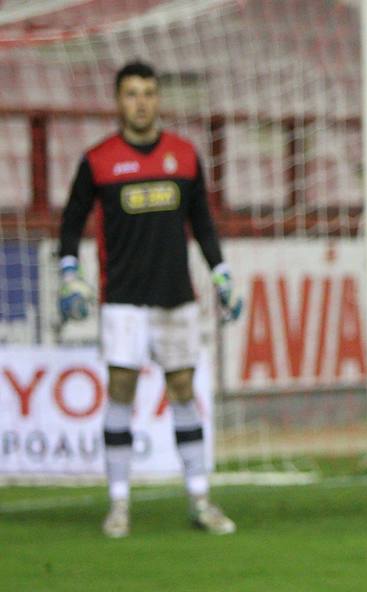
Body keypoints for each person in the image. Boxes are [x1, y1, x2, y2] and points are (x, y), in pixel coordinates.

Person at [57, 59, 243, 538]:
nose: (141, 102)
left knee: (183, 389)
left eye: (148, 93)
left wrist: (221, 273)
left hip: (175, 296)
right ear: (118, 101)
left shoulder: (183, 157)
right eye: (132, 93)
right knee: (121, 390)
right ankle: (119, 504)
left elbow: (202, 220)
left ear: (158, 99)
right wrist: (68, 272)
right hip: (122, 298)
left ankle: (200, 498)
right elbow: (72, 220)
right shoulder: (98, 159)